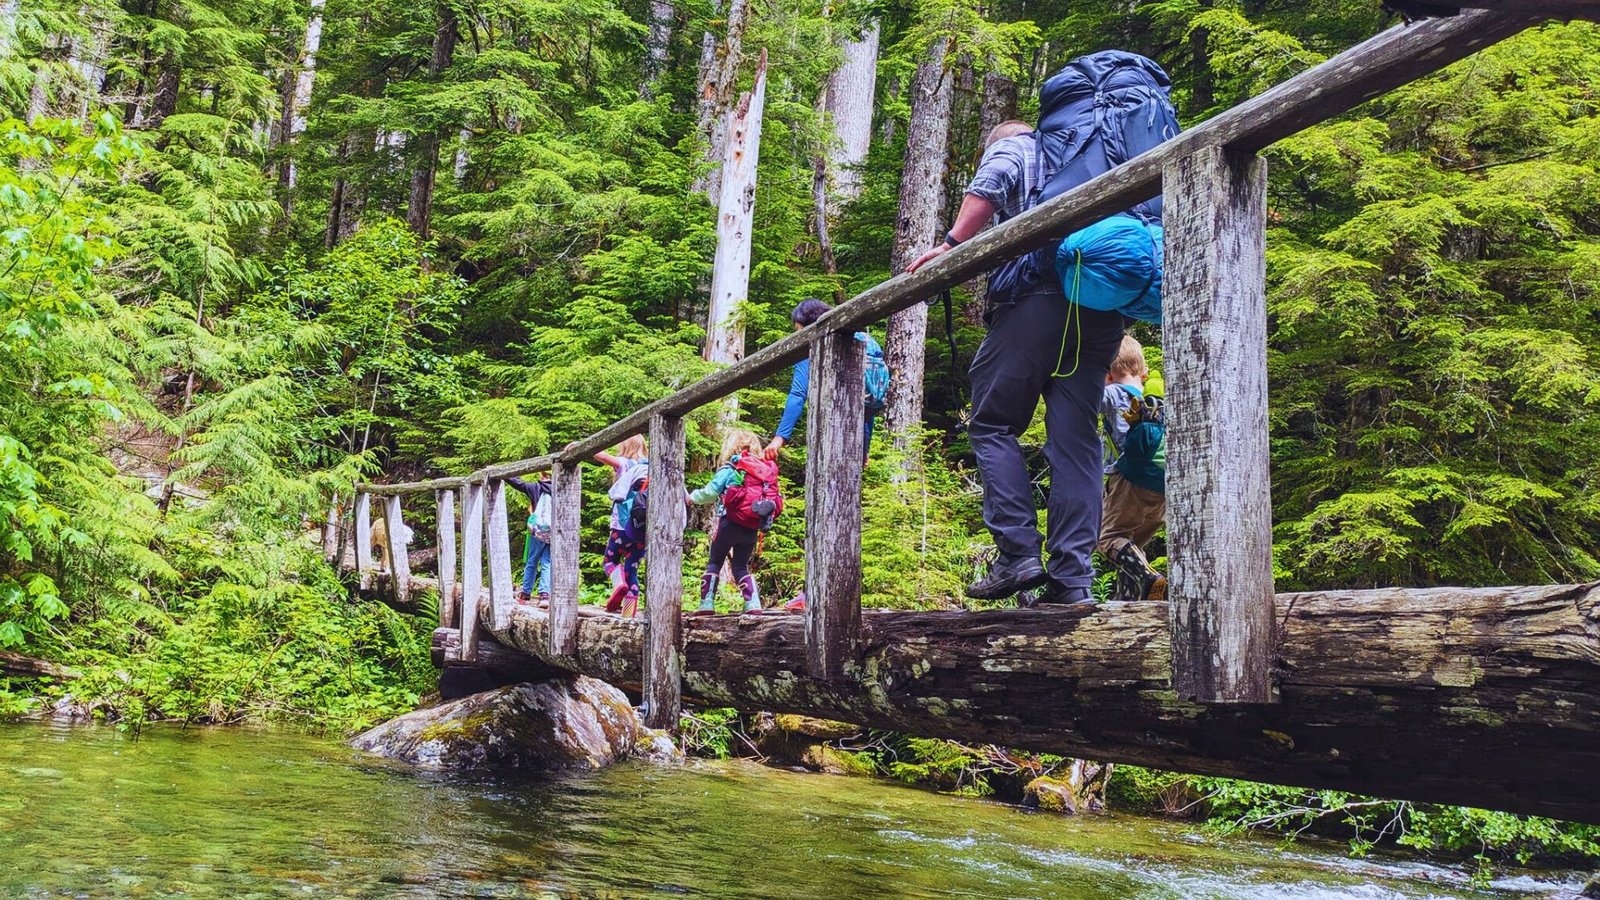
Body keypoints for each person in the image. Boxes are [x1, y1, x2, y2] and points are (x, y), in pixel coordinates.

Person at [907, 119, 1126, 605]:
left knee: (991, 425)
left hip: (1035, 301)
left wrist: (951, 245)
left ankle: (1018, 554)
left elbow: (992, 182)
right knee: (1075, 441)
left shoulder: (1018, 146)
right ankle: (1072, 580)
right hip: (1101, 309)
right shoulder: (1099, 151)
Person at [763, 298, 889, 462]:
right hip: (855, 429)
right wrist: (865, 447)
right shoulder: (867, 341)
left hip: (830, 424)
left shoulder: (812, 343)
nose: (797, 333)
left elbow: (798, 394)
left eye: (798, 328)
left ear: (804, 323)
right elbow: (867, 401)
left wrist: (779, 438)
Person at [1096, 336, 1167, 603]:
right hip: (1160, 483)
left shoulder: (1113, 392)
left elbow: (1085, 404)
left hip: (1127, 479)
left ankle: (1149, 579)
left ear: (1109, 375)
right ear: (1144, 373)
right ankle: (1131, 601)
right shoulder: (1154, 403)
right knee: (1131, 545)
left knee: (1110, 538)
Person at [687, 429, 781, 615]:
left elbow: (711, 492)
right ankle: (753, 604)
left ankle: (706, 604)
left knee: (715, 561)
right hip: (751, 526)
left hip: (728, 524)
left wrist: (692, 497)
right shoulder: (761, 473)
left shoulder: (730, 469)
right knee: (740, 566)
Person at [594, 436, 649, 616]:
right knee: (631, 568)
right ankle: (628, 615)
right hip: (642, 531)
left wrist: (579, 447)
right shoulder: (650, 469)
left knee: (609, 562)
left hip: (621, 528)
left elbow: (602, 456)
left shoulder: (625, 464)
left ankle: (618, 584)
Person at [509, 476, 553, 606]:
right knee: (547, 562)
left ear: (542, 474)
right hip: (553, 532)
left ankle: (526, 593)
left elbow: (518, 483)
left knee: (532, 561)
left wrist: (504, 474)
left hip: (538, 531)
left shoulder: (536, 487)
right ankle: (544, 595)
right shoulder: (560, 486)